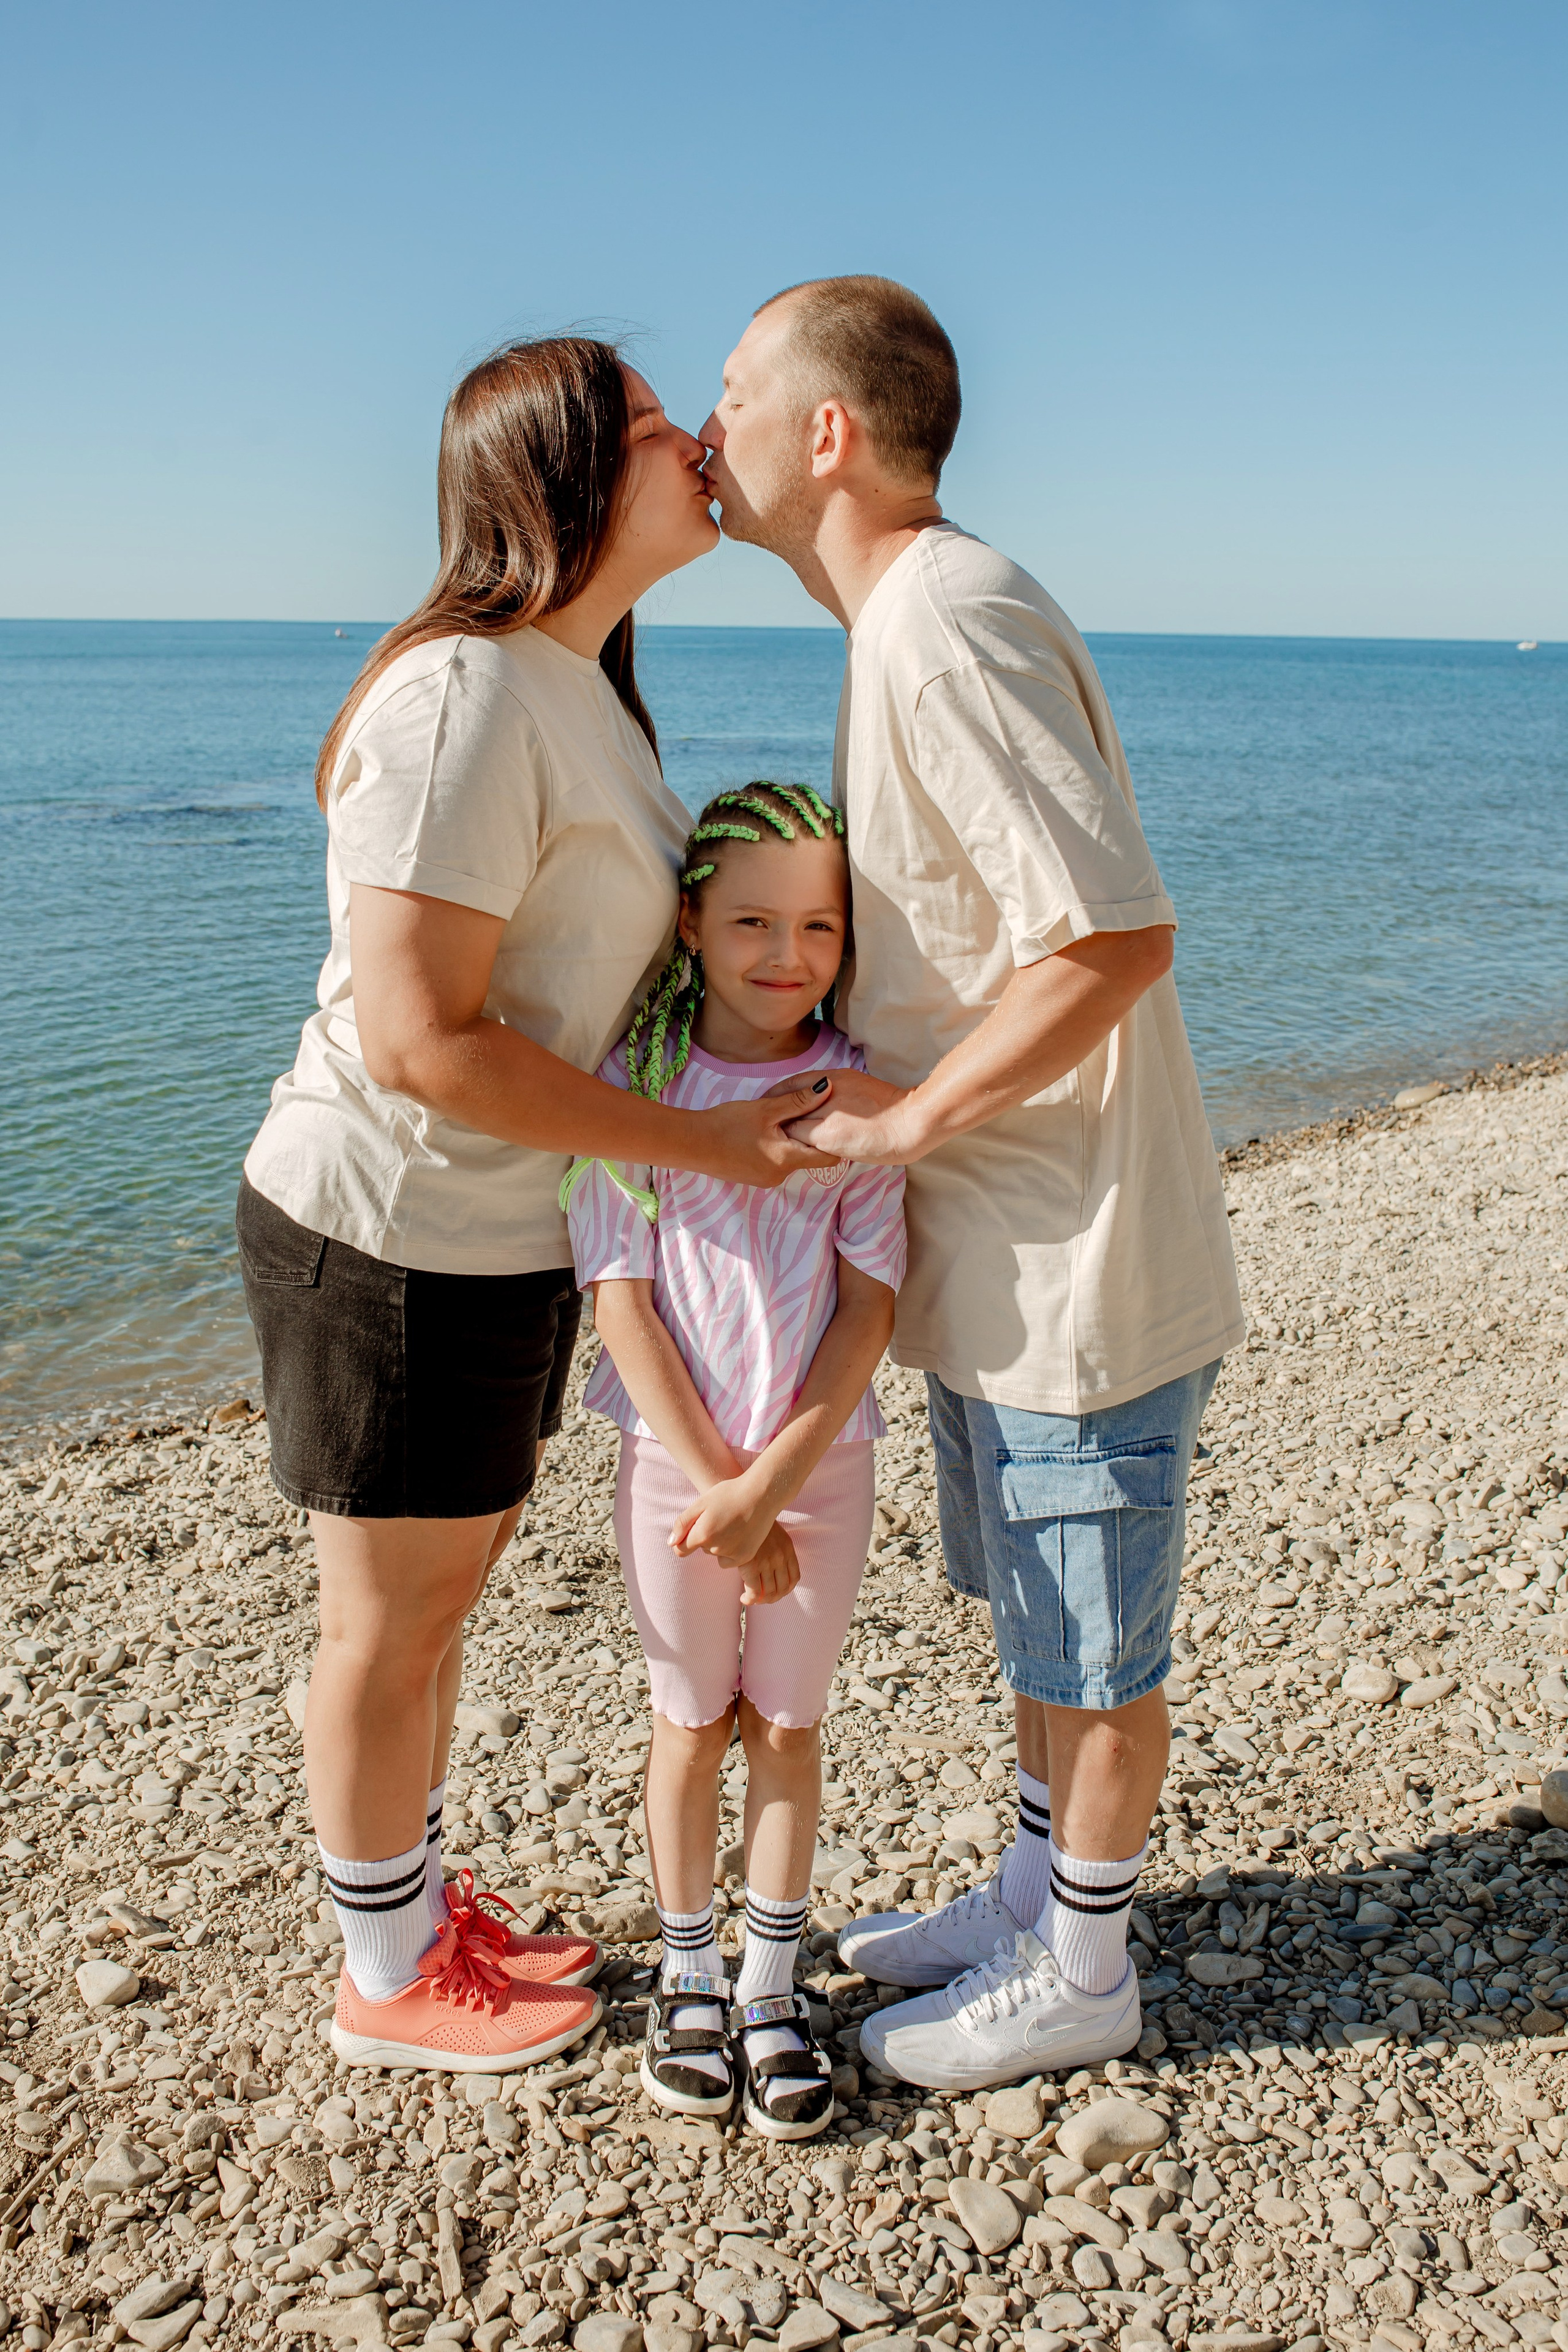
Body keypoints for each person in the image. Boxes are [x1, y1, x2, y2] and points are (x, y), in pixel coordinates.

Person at [237, 336, 839, 2075]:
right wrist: (719, 1155)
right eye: (657, 425)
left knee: (447, 1591)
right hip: (389, 1227)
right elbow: (426, 1039)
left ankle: (413, 1904)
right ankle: (383, 1973)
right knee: (390, 1614)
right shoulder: (464, 695)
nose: (700, 441)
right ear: (559, 476)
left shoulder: (578, 689)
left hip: (502, 1232)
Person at [696, 277, 1245, 2086]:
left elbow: (1110, 937)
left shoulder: (941, 617)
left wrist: (894, 1128)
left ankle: (1087, 1970)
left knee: (1091, 1634)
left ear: (828, 432)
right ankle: (1034, 1895)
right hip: (1004, 1248)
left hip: (1070, 1246)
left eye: (733, 396)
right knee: (1036, 1612)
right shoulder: (907, 622)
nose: (714, 434)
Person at [564, 782, 905, 2137]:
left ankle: (773, 1985)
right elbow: (620, 1298)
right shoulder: (635, 1089)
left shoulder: (852, 1096)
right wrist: (721, 1487)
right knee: (690, 1720)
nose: (786, 953)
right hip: (672, 1474)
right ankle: (690, 1969)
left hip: (819, 1469)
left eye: (818, 924)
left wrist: (771, 1487)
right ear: (692, 920)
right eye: (753, 919)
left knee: (787, 1726)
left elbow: (869, 1306)